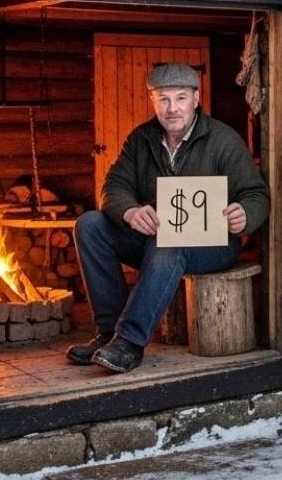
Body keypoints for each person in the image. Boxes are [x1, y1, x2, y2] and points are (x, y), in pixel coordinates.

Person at [67, 63, 270, 373]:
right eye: (163, 99)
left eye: (180, 98)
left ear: (196, 98)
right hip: (156, 240)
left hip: (213, 246)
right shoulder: (141, 140)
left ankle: (130, 341)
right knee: (90, 225)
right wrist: (130, 211)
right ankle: (109, 333)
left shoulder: (223, 140)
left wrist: (246, 214)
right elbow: (114, 186)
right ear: (153, 101)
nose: (172, 108)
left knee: (169, 244)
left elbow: (257, 194)